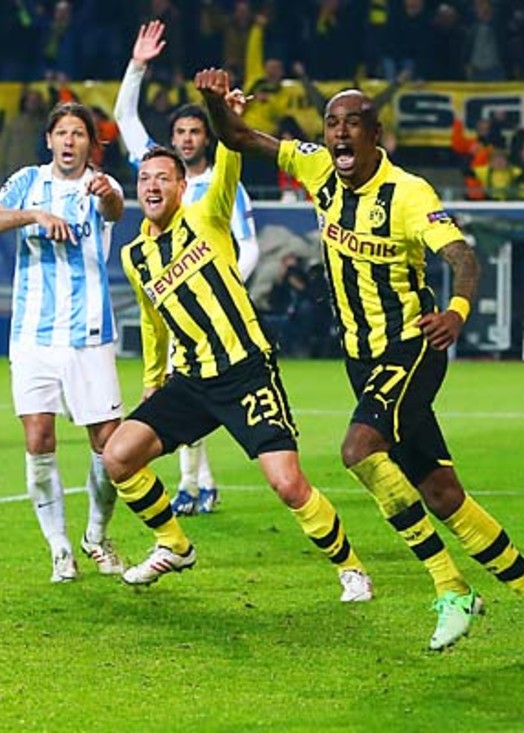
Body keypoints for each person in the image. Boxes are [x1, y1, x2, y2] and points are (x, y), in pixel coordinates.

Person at [196, 67, 524, 662]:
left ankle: (451, 589)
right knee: (443, 493)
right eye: (332, 124)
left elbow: (462, 256)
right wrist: (213, 104)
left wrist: (455, 309)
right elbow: (240, 139)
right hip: (360, 356)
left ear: (377, 134)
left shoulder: (409, 193)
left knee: (358, 450)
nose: (339, 134)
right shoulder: (318, 165)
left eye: (352, 124)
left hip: (412, 345)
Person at [101, 119, 372, 601]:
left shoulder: (207, 216)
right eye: (145, 179)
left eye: (164, 177)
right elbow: (152, 320)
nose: (153, 185)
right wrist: (151, 380)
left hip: (246, 371)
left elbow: (228, 158)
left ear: (183, 186)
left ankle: (351, 569)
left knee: (288, 484)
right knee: (118, 456)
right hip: (190, 381)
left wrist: (223, 115)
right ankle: (173, 543)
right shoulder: (135, 255)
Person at [0, 102, 127, 583]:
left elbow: (115, 208)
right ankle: (59, 549)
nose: (70, 141)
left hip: (89, 336)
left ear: (90, 144)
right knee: (39, 439)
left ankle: (96, 536)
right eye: (63, 133)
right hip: (33, 336)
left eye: (79, 134)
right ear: (50, 139)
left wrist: (105, 195)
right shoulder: (27, 183)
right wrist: (32, 215)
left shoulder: (102, 184)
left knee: (110, 448)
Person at [114, 21, 261, 517]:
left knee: (197, 394)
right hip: (173, 307)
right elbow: (124, 119)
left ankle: (199, 483)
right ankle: (196, 483)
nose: (186, 138)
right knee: (182, 391)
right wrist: (137, 65)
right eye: (179, 132)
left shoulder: (222, 184)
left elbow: (248, 245)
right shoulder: (160, 173)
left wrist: (226, 283)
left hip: (218, 308)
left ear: (205, 135)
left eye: (196, 130)